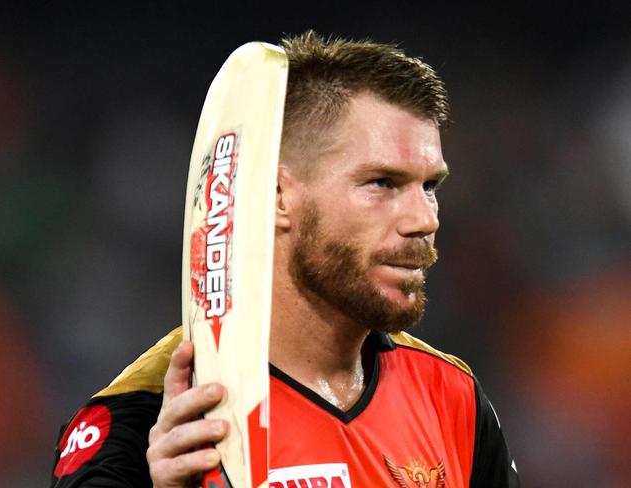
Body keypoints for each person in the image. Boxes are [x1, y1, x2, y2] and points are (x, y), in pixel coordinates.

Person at [50, 31, 519, 487]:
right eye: (382, 183)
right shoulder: (145, 424)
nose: (424, 218)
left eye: (430, 187)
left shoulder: (451, 397)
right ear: (276, 196)